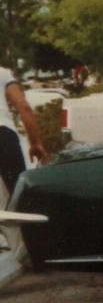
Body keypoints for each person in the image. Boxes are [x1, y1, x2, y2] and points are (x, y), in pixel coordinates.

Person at [1, 66, 50, 204]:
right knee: (21, 199)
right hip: (3, 134)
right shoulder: (3, 73)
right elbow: (24, 108)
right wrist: (35, 143)